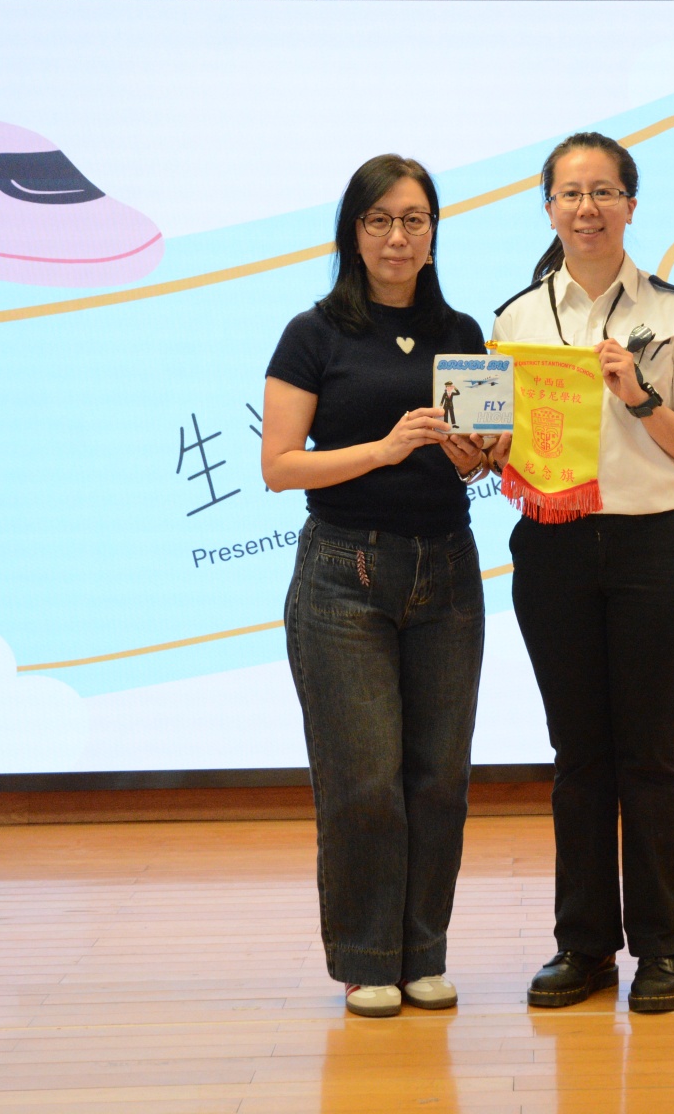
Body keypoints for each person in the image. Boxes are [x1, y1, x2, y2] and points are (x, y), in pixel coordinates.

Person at [489, 132, 674, 1013]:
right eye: (569, 193)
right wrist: (478, 446)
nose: (586, 208)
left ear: (631, 205)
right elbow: (499, 443)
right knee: (578, 754)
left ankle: (663, 950)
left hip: (654, 548)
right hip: (553, 547)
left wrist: (640, 396)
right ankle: (584, 945)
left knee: (651, 752)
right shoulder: (515, 321)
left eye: (603, 192)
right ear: (548, 208)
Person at [261, 154, 491, 1019]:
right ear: (353, 233)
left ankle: (423, 953)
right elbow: (280, 466)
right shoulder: (313, 333)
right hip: (343, 575)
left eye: (414, 220)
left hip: (448, 569)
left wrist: (473, 457)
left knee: (438, 780)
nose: (398, 237)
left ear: (434, 234)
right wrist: (386, 449)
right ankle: (368, 961)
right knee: (364, 781)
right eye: (380, 220)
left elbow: (478, 461)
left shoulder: (462, 332)